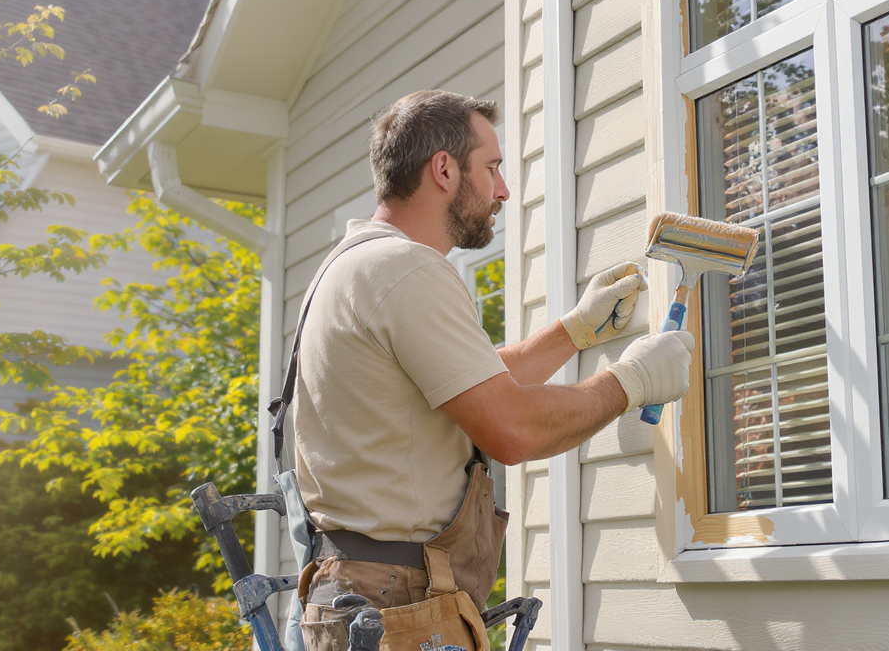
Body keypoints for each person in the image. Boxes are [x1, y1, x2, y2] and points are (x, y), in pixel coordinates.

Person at [290, 90, 693, 649]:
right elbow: (510, 427)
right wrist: (631, 382)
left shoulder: (353, 264)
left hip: (362, 597)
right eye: (492, 168)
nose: (502, 189)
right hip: (396, 607)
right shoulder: (406, 269)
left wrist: (574, 331)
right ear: (444, 169)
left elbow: (463, 385)